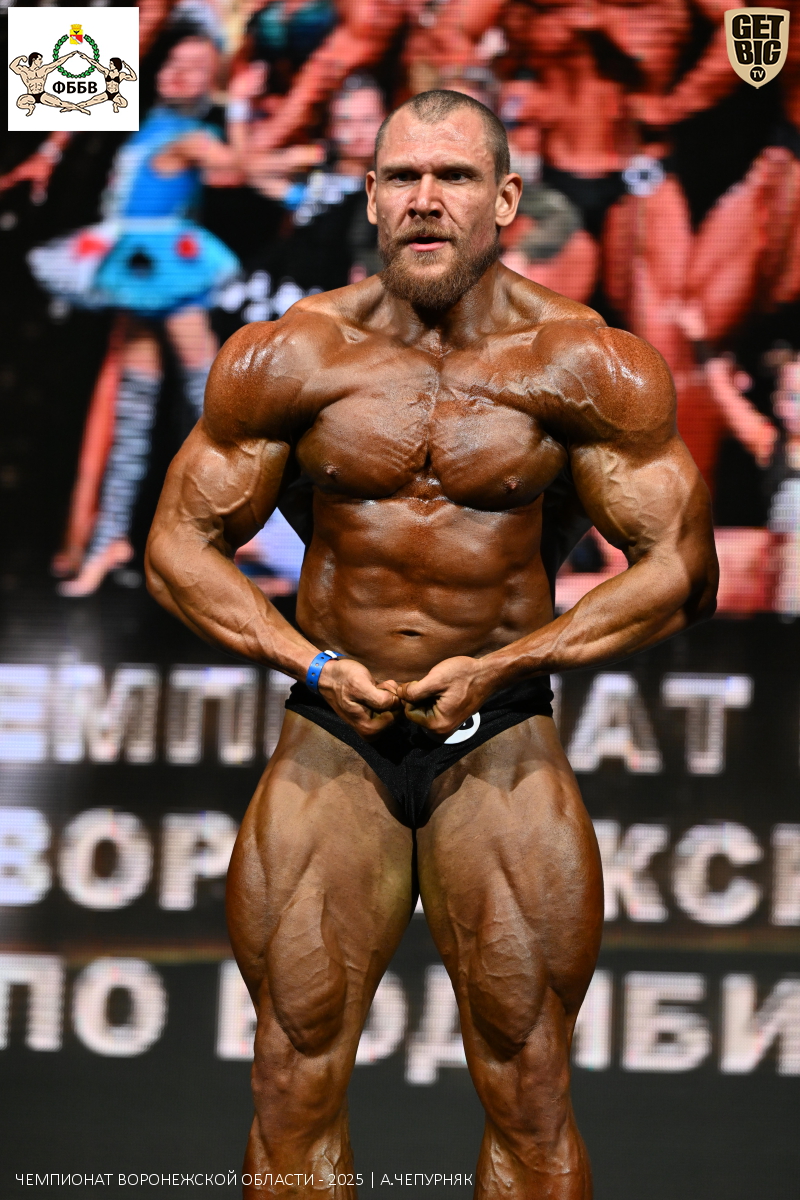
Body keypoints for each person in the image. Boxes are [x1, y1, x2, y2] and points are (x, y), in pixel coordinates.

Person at [146, 90, 717, 1198]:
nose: (424, 198)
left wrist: (508, 663)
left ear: (503, 199)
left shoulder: (583, 362)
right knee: (288, 1079)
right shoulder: (293, 353)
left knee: (529, 1086)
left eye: (452, 176)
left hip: (498, 735)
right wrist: (308, 662)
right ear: (369, 197)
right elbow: (178, 546)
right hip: (331, 732)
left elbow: (681, 571)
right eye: (402, 176)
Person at [28, 35, 242, 595]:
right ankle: (110, 540)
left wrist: (240, 108)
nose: (181, 72)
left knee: (212, 404)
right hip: (136, 264)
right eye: (174, 61)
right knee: (136, 403)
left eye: (198, 67)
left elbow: (234, 169)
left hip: (166, 264)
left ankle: (245, 537)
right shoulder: (142, 122)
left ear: (213, 81)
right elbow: (52, 78)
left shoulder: (195, 134)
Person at [9, 49, 91, 117]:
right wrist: (21, 57)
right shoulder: (24, 71)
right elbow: (12, 66)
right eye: (39, 59)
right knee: (20, 103)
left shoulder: (43, 69)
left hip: (42, 94)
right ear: (34, 60)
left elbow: (57, 63)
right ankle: (30, 107)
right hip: (30, 95)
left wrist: (69, 55)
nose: (41, 61)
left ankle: (80, 109)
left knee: (60, 103)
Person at [73, 52, 138, 113]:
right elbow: (96, 64)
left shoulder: (121, 75)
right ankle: (72, 107)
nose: (110, 65)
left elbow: (134, 78)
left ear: (116, 65)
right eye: (110, 63)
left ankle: (115, 105)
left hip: (116, 95)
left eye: (111, 64)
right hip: (107, 94)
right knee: (87, 103)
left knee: (124, 104)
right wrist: (86, 58)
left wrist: (128, 67)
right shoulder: (107, 72)